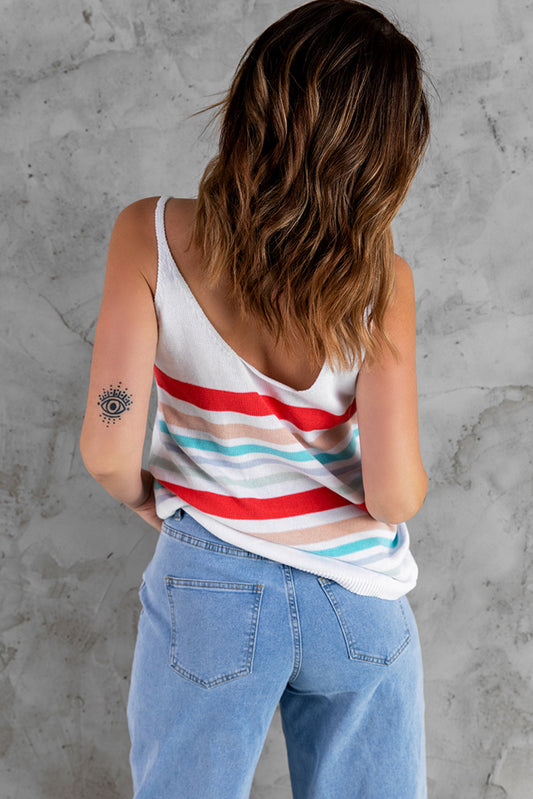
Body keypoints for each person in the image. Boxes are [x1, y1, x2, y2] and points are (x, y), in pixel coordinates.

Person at [80, 1, 431, 796]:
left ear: (251, 106)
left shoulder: (149, 235)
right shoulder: (382, 283)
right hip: (357, 604)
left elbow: (107, 441)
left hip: (209, 586)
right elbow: (392, 493)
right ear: (385, 157)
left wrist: (157, 505)